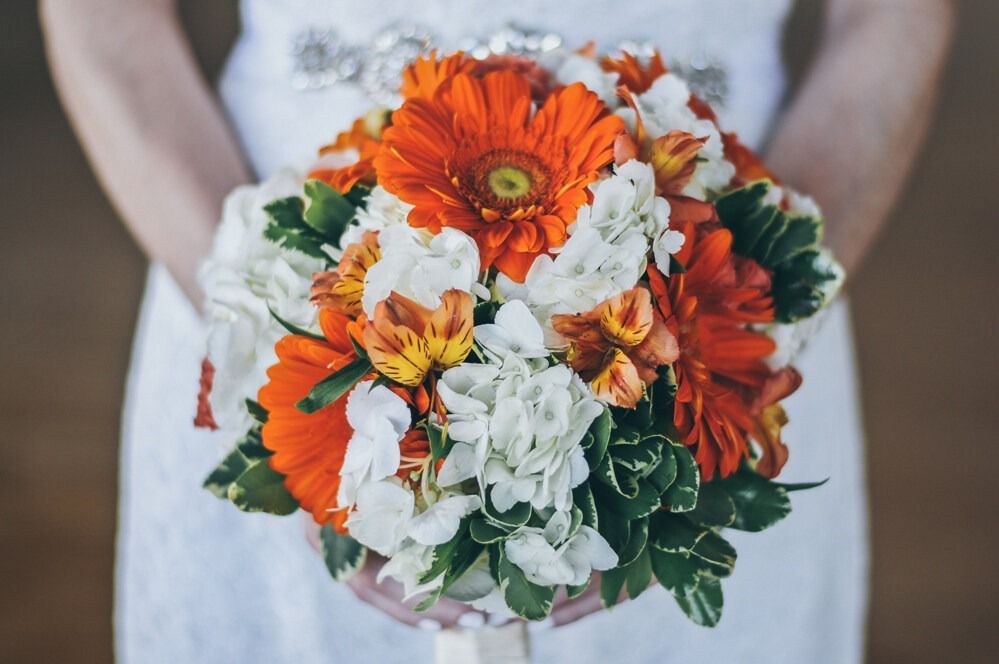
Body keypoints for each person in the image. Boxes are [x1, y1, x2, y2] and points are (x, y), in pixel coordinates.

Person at [41, 0, 954, 662]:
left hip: (706, 302)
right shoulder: (284, 322)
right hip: (293, 271)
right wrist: (274, 334)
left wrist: (750, 312)